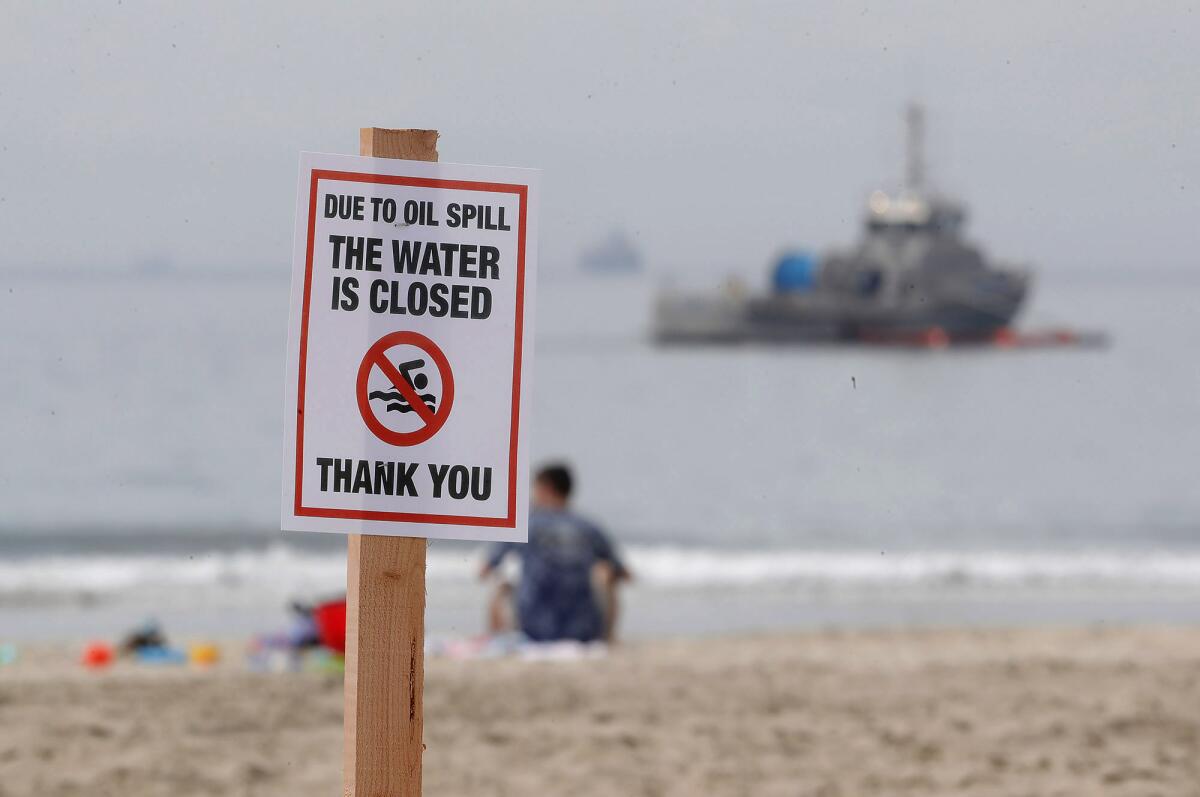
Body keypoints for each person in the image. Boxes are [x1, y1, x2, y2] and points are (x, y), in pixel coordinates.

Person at [480, 463, 630, 643]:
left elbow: (485, 569)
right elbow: (624, 573)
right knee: (607, 574)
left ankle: (495, 638)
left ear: (545, 488)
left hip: (533, 628)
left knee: (502, 579)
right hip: (584, 630)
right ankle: (609, 638)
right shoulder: (589, 527)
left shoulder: (527, 524)